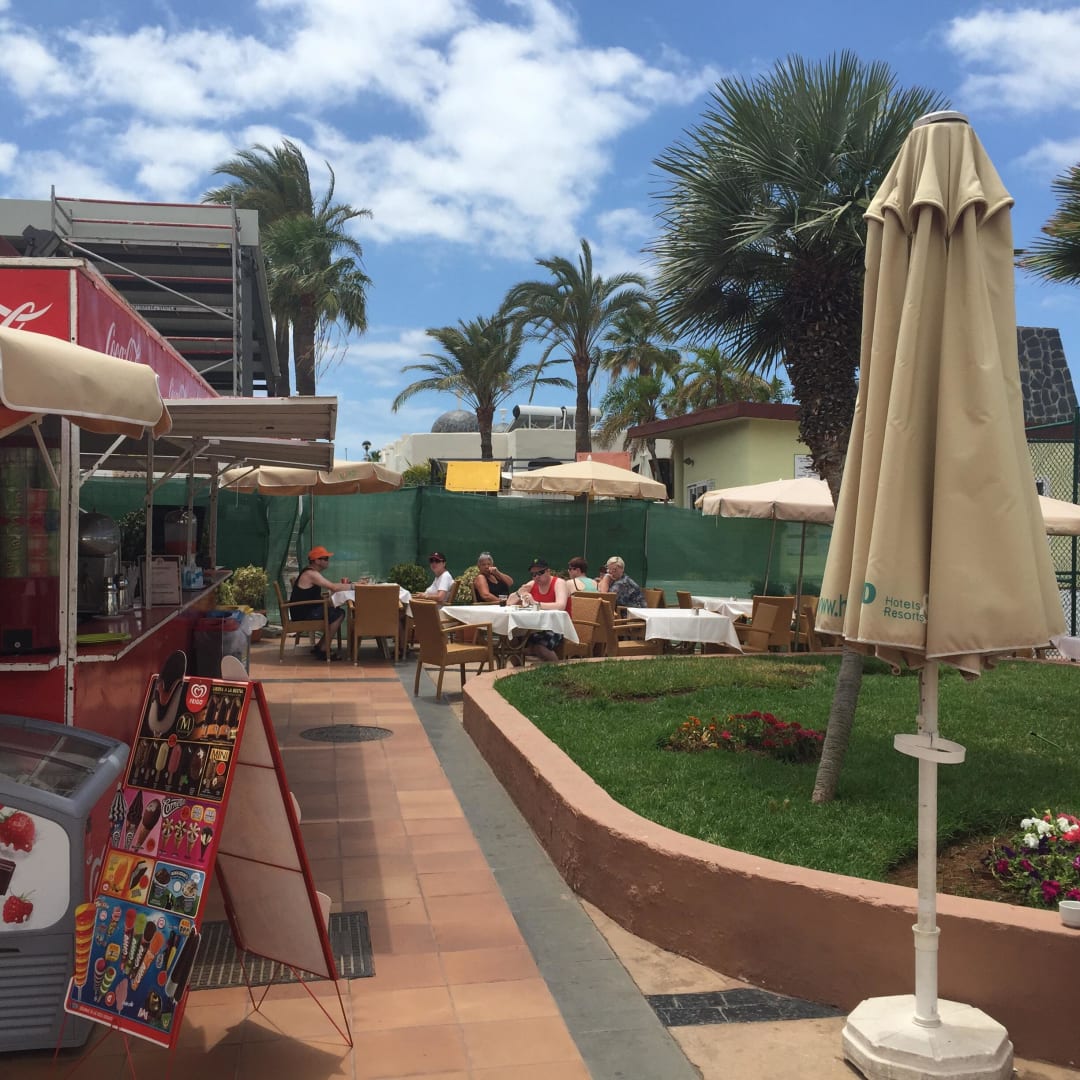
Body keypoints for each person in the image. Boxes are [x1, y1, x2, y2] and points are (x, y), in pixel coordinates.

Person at [289, 545, 348, 660]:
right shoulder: (311, 574)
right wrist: (354, 586)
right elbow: (334, 587)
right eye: (325, 559)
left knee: (335, 611)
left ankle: (320, 646)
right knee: (339, 614)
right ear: (316, 561)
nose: (327, 561)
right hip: (304, 614)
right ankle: (324, 649)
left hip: (303, 610)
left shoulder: (310, 572)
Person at [506, 558, 568, 662]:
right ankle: (518, 669)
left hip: (556, 626)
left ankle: (557, 668)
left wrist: (536, 604)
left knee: (540, 647)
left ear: (548, 571)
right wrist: (519, 593)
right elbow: (509, 603)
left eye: (540, 573)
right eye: (533, 574)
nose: (537, 577)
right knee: (511, 639)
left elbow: (561, 605)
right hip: (536, 626)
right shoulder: (532, 584)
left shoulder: (559, 583)